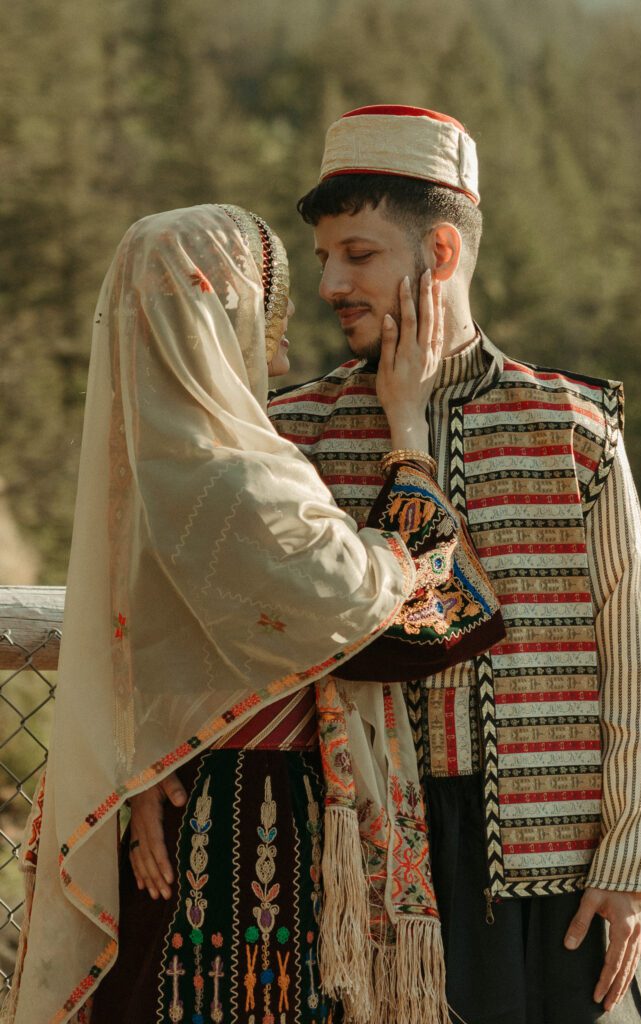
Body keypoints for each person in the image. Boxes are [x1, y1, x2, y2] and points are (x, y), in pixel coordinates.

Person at [4, 202, 504, 1024]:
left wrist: (139, 783)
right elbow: (403, 627)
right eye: (265, 295)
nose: (287, 318)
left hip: (163, 802)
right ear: (215, 307)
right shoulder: (239, 480)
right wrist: (408, 432)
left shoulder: (144, 472)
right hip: (245, 817)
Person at [268, 104, 641, 1024]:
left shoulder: (570, 425)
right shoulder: (294, 432)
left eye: (358, 254)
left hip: (552, 866)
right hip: (359, 861)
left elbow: (632, 657)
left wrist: (630, 864)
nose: (330, 280)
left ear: (440, 252)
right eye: (324, 255)